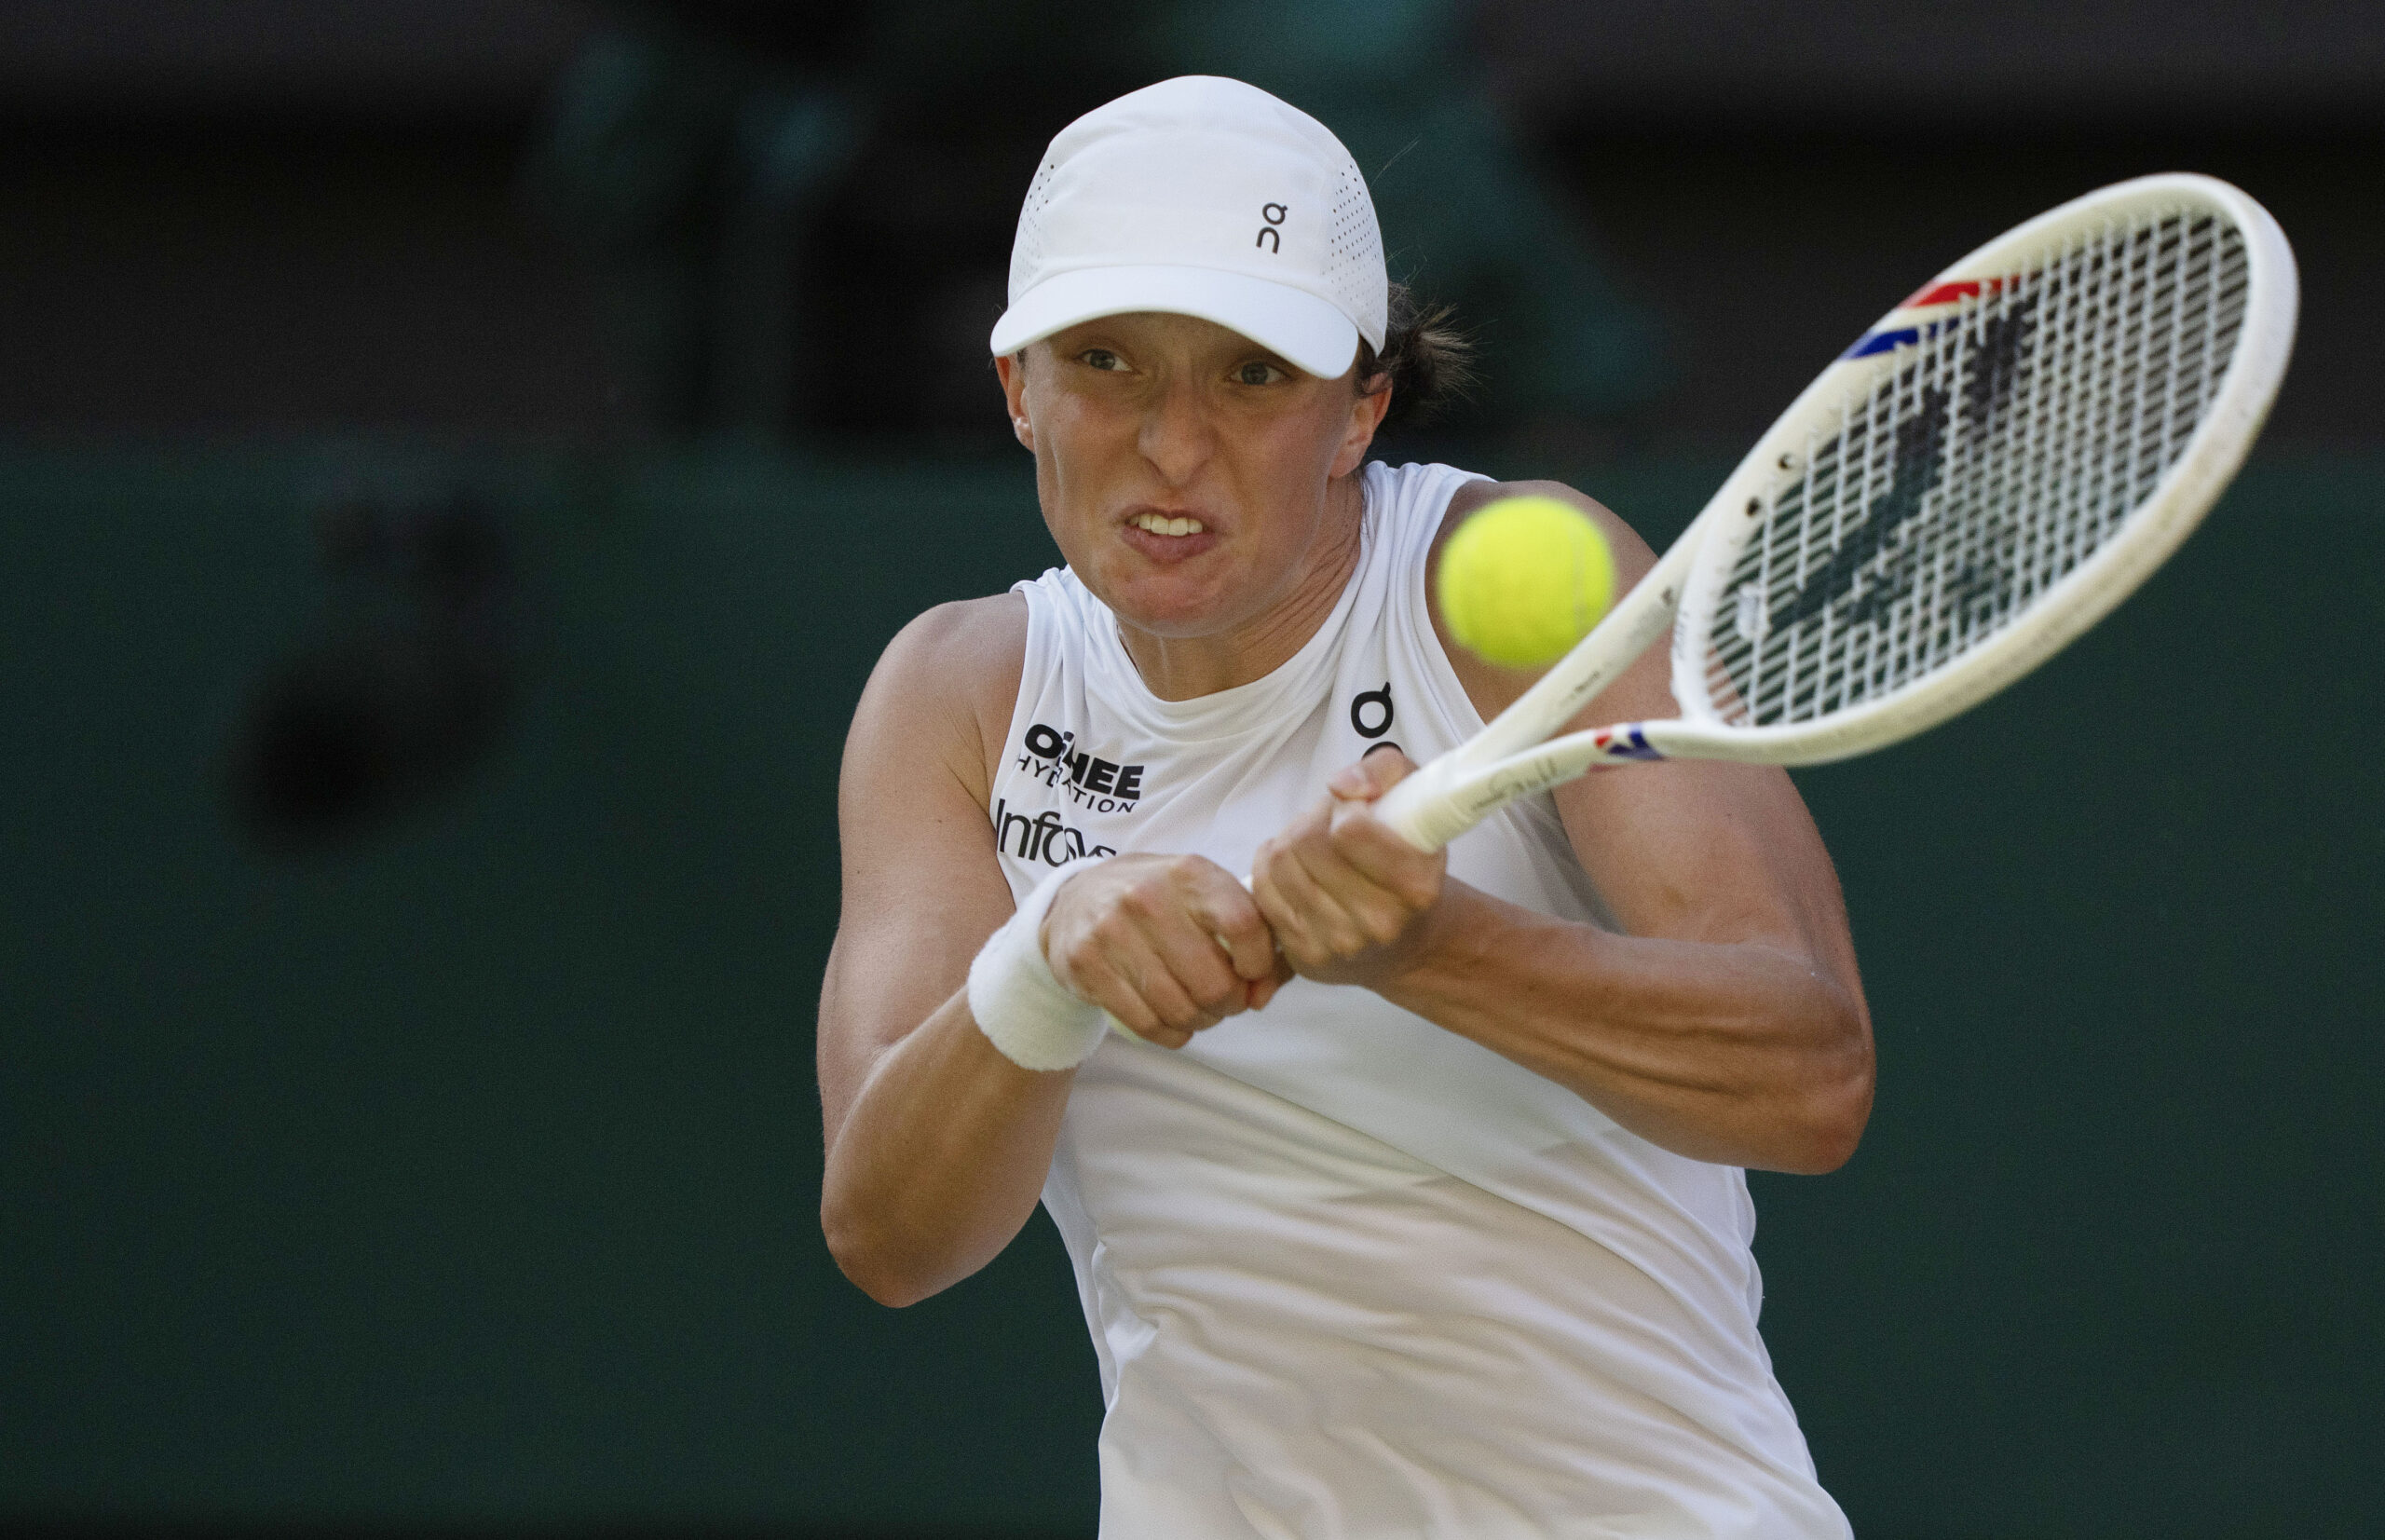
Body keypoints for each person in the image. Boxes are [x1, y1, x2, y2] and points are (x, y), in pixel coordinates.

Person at [818, 75, 1872, 1538]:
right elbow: (887, 1232)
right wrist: (1047, 961)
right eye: (1106, 361)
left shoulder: (1515, 584)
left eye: (1251, 375)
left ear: (1360, 407)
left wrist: (1435, 950)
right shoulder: (959, 694)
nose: (1172, 443)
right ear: (1018, 388)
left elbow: (1809, 1077)